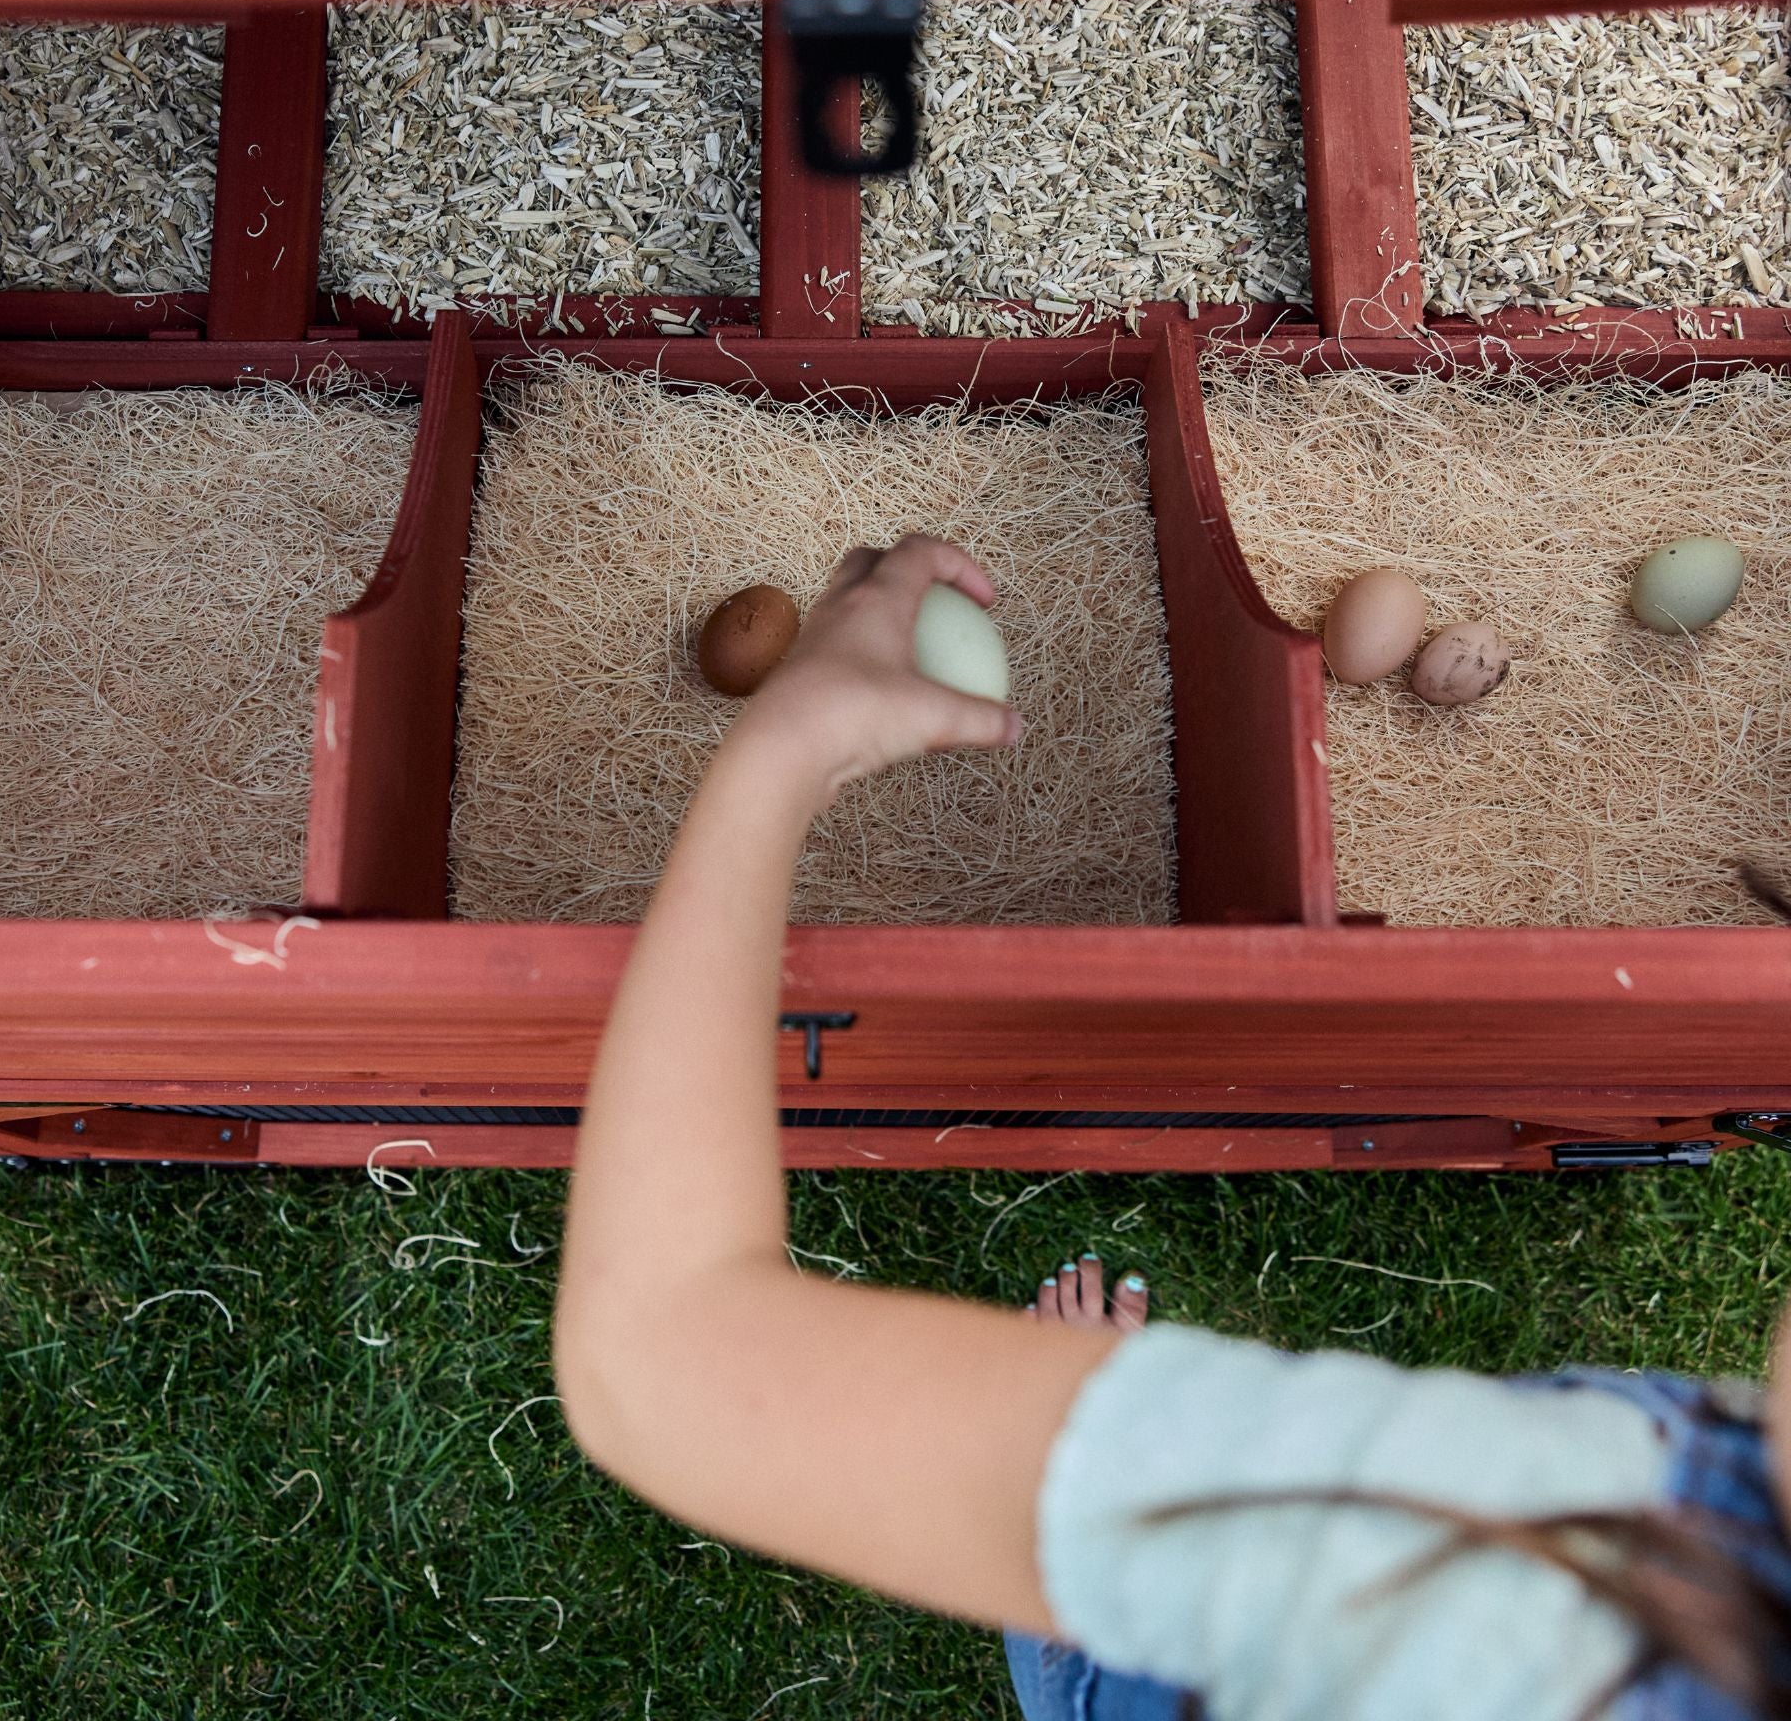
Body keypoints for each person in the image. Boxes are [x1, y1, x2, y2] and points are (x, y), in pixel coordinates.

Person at [553, 534, 1791, 1720]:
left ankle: (1076, 1649)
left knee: (1109, 1638)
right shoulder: (1669, 1532)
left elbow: (668, 1356)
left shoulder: (1512, 1576)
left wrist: (785, 751)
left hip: (1188, 1665)